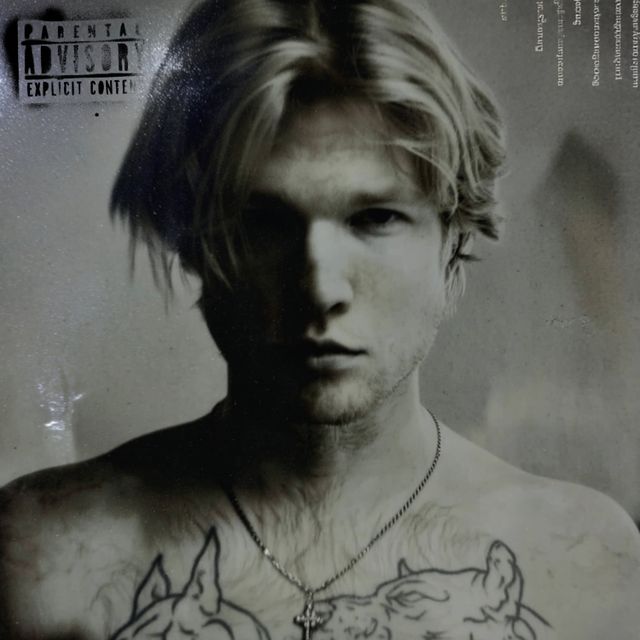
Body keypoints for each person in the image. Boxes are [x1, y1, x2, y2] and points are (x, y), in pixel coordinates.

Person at [1, 0, 639, 638]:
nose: (319, 287)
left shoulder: (586, 561)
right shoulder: (46, 559)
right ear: (191, 244)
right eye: (264, 222)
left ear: (453, 245)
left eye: (375, 218)